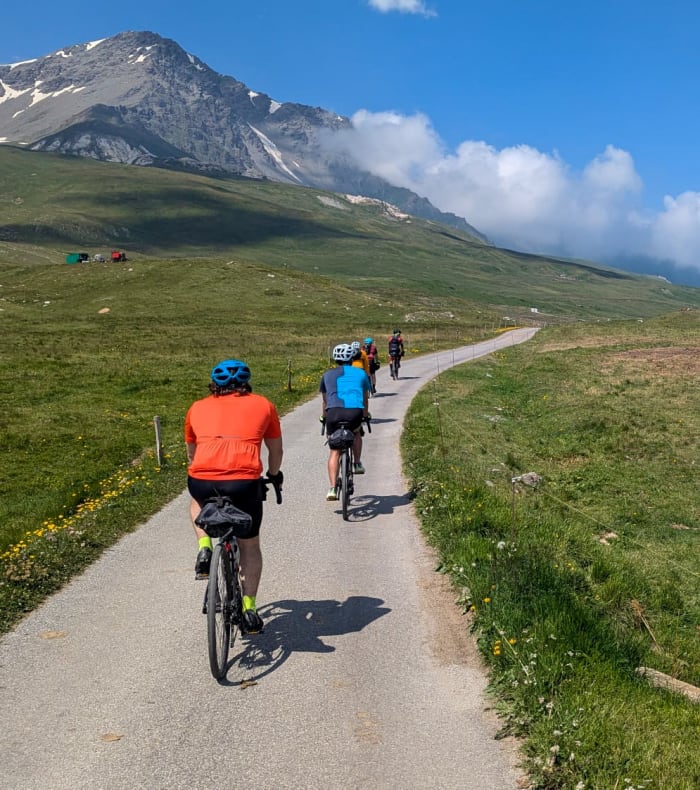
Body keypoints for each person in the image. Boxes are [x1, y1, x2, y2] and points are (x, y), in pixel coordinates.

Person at [185, 359, 283, 634]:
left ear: (214, 384)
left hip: (203, 480)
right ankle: (249, 609)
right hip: (244, 483)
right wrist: (274, 476)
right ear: (246, 383)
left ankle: (204, 546)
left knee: (196, 501)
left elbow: (191, 453)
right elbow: (275, 451)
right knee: (249, 546)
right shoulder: (264, 405)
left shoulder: (197, 407)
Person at [320, 343, 371, 501]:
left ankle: (333, 488)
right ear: (352, 358)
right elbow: (364, 397)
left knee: (334, 450)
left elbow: (325, 401)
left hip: (333, 413)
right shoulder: (361, 373)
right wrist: (365, 414)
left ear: (335, 359)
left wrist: (324, 417)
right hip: (354, 411)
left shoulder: (327, 375)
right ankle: (356, 463)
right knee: (356, 433)